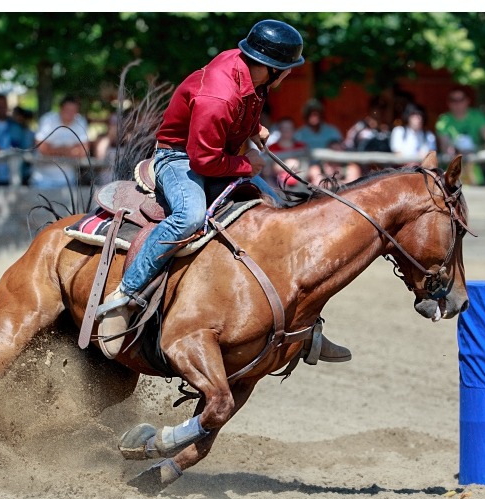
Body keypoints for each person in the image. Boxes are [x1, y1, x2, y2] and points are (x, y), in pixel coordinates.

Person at [98, 19, 351, 364]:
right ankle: (123, 297)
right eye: (288, 69)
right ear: (271, 68)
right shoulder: (218, 94)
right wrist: (249, 166)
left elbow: (235, 117)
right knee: (189, 217)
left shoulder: (251, 74)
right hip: (179, 157)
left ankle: (306, 326)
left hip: (219, 155)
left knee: (279, 218)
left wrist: (253, 128)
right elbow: (203, 160)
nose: (290, 75)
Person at [435, 87, 485, 185]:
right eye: (453, 100)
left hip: (474, 168)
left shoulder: (477, 116)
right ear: (448, 103)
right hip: (453, 170)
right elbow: (445, 144)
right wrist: (450, 149)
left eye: (460, 100)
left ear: (467, 101)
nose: (457, 103)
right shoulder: (443, 120)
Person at [29, 95, 90, 189]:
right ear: (60, 109)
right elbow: (42, 148)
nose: (70, 113)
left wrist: (53, 149)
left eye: (73, 111)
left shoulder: (80, 121)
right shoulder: (48, 120)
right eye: (67, 110)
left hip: (68, 180)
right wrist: (71, 149)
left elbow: (83, 151)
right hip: (42, 179)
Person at [0, 94, 33, 185]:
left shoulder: (16, 126)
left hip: (15, 172)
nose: (1, 107)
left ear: (7, 105)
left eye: (3, 104)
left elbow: (24, 147)